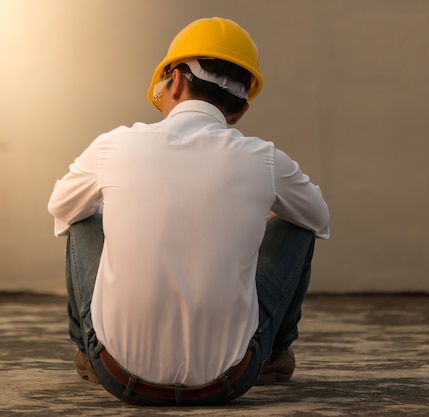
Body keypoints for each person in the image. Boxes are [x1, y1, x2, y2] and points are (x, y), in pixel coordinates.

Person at [47, 17, 330, 406]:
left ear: (175, 81)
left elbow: (60, 208)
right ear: (241, 110)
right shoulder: (264, 159)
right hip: (230, 379)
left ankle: (85, 350)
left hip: (115, 372)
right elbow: (318, 217)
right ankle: (272, 358)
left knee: (82, 219)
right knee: (296, 226)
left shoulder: (113, 145)